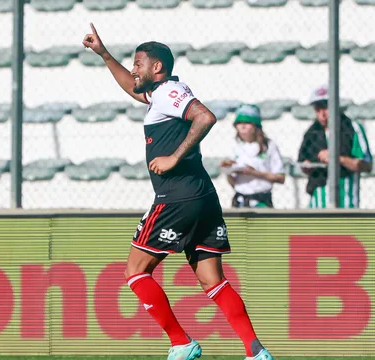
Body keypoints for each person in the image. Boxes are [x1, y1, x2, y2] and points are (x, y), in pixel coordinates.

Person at [82, 24, 273, 360]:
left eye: (138, 63)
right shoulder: (162, 93)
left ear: (157, 67)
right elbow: (133, 87)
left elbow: (205, 117)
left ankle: (181, 342)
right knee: (212, 280)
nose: (134, 69)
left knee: (136, 271)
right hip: (202, 196)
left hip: (177, 197)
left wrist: (173, 156)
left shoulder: (170, 93)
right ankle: (255, 352)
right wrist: (104, 54)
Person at [297, 84, 372, 208]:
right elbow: (303, 162)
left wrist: (336, 158)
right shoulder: (311, 133)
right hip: (318, 204)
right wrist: (307, 166)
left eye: (325, 107)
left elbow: (366, 165)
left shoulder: (352, 128)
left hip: (347, 202)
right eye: (317, 109)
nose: (322, 114)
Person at [221, 104, 285, 208]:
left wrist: (254, 173)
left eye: (247, 122)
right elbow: (233, 183)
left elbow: (280, 178)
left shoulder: (269, 146)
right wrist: (228, 171)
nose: (242, 126)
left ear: (256, 125)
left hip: (261, 201)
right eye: (239, 123)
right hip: (240, 201)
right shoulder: (236, 147)